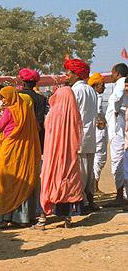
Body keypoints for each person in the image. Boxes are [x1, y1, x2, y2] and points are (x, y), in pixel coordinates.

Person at [0, 86, 41, 228]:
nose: (2, 101)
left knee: (4, 181)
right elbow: (36, 128)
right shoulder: (26, 110)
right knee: (23, 180)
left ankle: (3, 218)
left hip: (9, 150)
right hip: (25, 151)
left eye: (3, 98)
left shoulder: (9, 111)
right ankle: (23, 217)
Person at [36, 87, 84, 229]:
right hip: (69, 156)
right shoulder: (74, 114)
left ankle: (42, 220)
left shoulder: (53, 114)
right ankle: (67, 219)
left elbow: (47, 129)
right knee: (68, 183)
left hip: (53, 155)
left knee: (49, 182)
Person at [64, 58, 98, 212]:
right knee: (89, 171)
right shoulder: (91, 90)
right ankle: (90, 201)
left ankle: (82, 203)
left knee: (80, 172)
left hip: (78, 136)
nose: (66, 76)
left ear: (76, 74)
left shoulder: (76, 91)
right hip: (90, 136)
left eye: (68, 73)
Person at [105, 63, 128, 205]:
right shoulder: (121, 83)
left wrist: (116, 110)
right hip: (118, 129)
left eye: (112, 73)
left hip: (117, 130)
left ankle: (120, 196)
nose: (111, 76)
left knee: (118, 161)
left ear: (118, 73)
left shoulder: (121, 83)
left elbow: (119, 97)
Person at [18, 68, 48, 152]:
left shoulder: (16, 96)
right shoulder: (41, 99)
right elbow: (40, 120)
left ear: (23, 82)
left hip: (17, 136)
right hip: (34, 137)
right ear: (35, 83)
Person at [88, 73, 108, 194]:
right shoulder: (97, 97)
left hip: (92, 131)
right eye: (103, 85)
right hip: (98, 130)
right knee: (100, 157)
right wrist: (102, 121)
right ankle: (94, 186)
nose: (104, 88)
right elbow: (99, 113)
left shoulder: (89, 95)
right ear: (97, 85)